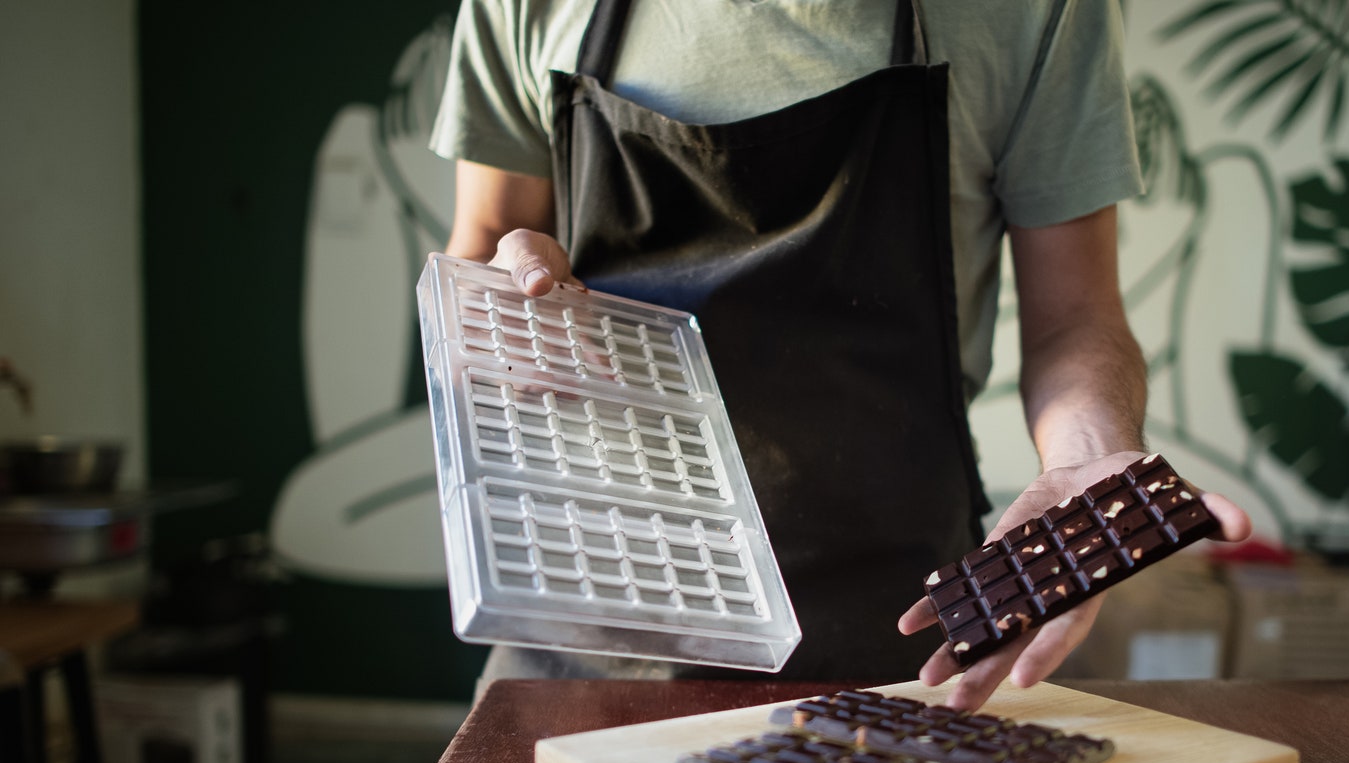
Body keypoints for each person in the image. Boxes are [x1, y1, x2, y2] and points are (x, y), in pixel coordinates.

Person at [430, 0, 1251, 709]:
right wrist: (496, 303)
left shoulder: (1039, 12)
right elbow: (481, 243)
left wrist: (1090, 460)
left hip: (886, 632)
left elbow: (1075, 317)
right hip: (583, 606)